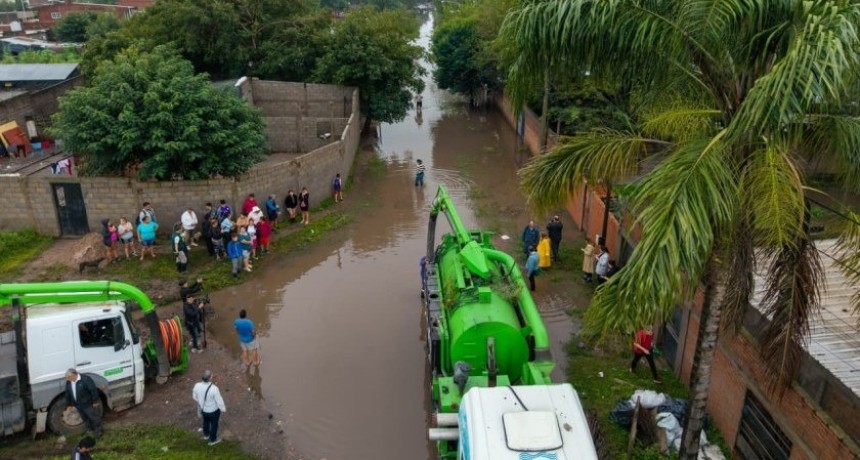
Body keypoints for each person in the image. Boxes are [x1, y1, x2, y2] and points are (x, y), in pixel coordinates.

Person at [64, 369, 103, 437]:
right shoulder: (69, 382)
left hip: (88, 403)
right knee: (85, 418)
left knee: (94, 417)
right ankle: (89, 430)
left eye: (68, 377)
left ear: (74, 375)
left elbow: (93, 390)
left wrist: (95, 401)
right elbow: (68, 393)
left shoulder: (85, 379)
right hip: (78, 404)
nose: (67, 379)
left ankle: (98, 431)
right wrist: (69, 404)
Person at [193, 370, 226, 446]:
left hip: (203, 410)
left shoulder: (197, 385)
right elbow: (219, 401)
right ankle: (213, 440)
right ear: (210, 378)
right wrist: (223, 408)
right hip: (213, 410)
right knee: (214, 424)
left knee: (205, 422)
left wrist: (201, 401)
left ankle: (206, 435)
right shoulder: (214, 389)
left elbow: (194, 397)